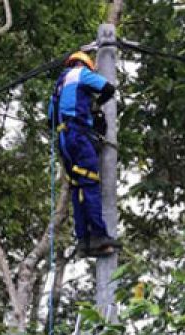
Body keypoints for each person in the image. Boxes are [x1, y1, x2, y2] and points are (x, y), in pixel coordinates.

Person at [48, 50, 118, 257]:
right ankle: (99, 236)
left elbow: (50, 118)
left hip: (64, 140)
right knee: (90, 183)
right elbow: (108, 88)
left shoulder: (58, 86)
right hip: (78, 135)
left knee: (77, 186)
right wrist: (96, 105)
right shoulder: (81, 74)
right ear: (85, 65)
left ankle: (83, 240)